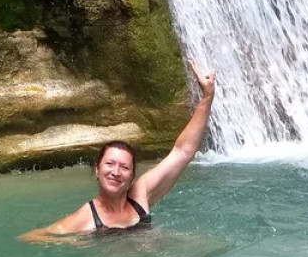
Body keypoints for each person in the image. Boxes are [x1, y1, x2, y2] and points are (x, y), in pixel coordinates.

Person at [20, 59, 216, 240]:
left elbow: (183, 152)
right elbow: (34, 237)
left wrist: (207, 97)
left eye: (124, 167)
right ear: (97, 169)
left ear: (132, 175)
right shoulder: (85, 218)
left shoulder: (141, 194)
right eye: (110, 164)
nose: (116, 172)